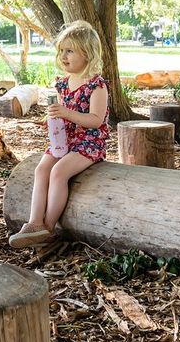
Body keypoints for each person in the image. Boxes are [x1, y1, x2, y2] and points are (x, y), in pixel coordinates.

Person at [9, 20, 110, 248]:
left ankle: (48, 226)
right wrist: (54, 119)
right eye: (61, 51)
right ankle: (34, 222)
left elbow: (96, 120)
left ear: (87, 53)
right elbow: (63, 115)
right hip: (66, 139)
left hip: (88, 142)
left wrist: (66, 112)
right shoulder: (63, 84)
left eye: (70, 51)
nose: (63, 56)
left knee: (58, 172)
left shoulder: (96, 85)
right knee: (42, 168)